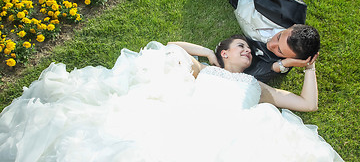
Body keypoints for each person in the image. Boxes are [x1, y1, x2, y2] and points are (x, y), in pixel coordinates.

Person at [0, 36, 343, 161]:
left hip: (230, 132)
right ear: (224, 53)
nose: (247, 52)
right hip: (185, 118)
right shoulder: (202, 71)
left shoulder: (259, 88)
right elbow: (174, 46)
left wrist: (308, 68)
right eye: (239, 47)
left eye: (247, 50)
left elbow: (306, 105)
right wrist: (212, 55)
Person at [193, 0, 320, 83]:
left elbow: (253, 74)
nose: (271, 44)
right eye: (278, 37)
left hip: (238, 6)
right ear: (293, 27)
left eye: (280, 51)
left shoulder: (284, 62)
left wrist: (282, 65)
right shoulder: (294, 7)